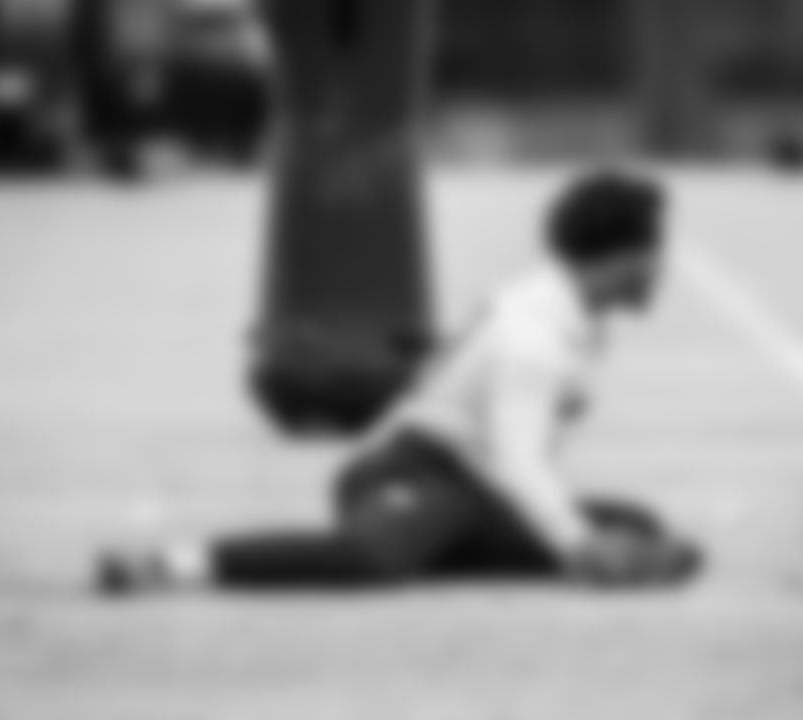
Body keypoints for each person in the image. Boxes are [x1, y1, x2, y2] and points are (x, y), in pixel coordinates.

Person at [96, 170, 700, 595]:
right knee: (371, 561)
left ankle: (435, 544)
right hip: (408, 472)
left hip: (475, 486)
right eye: (657, 249)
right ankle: (170, 565)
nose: (662, 267)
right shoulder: (534, 337)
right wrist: (577, 548)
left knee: (636, 523)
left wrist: (576, 534)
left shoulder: (562, 311)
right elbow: (518, 461)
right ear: (626, 255)